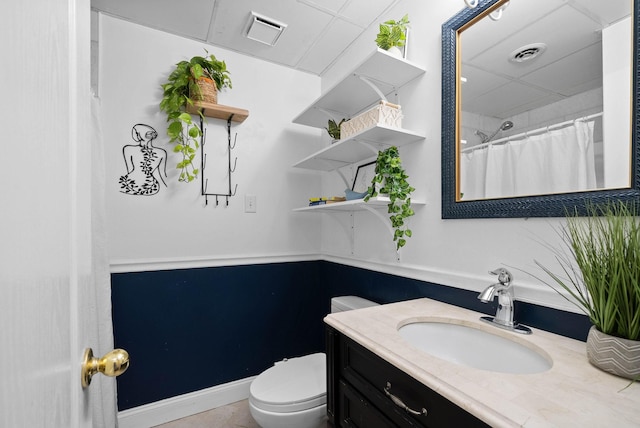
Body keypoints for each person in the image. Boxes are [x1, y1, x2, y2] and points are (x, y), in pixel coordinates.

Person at [119, 124, 167, 195]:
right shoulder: (162, 152)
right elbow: (163, 175)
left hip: (128, 186)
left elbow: (129, 170)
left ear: (138, 135)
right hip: (152, 187)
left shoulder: (128, 149)